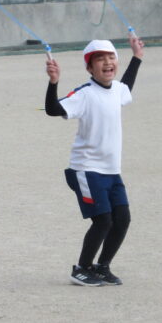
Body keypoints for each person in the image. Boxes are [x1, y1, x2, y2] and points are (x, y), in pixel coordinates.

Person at [44, 33, 144, 286]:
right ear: (89, 68)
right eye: (100, 59)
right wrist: (54, 82)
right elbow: (53, 109)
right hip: (86, 170)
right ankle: (82, 268)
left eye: (111, 57)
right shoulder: (85, 94)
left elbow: (127, 86)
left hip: (111, 171)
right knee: (103, 220)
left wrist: (137, 57)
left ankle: (102, 267)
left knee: (122, 219)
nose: (107, 62)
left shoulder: (117, 90)